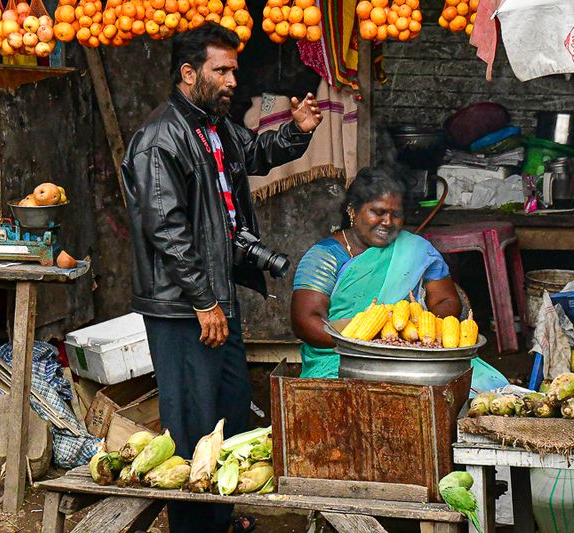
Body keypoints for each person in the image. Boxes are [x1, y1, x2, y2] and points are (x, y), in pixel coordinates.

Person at [121, 23, 322, 533]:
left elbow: (253, 154)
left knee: (228, 410)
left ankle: (219, 518)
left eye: (235, 69)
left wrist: (297, 130)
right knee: (190, 421)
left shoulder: (215, 126)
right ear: (189, 74)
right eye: (223, 70)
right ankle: (193, 527)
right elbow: (166, 230)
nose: (234, 79)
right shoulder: (159, 139)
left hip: (215, 296)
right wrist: (203, 300)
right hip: (183, 304)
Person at [291, 167, 462, 378]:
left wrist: (417, 331)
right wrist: (366, 342)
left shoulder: (416, 250)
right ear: (353, 210)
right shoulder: (326, 256)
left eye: (396, 214)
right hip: (341, 357)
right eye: (378, 212)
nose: (388, 222)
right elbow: (305, 321)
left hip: (412, 355)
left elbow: (447, 300)